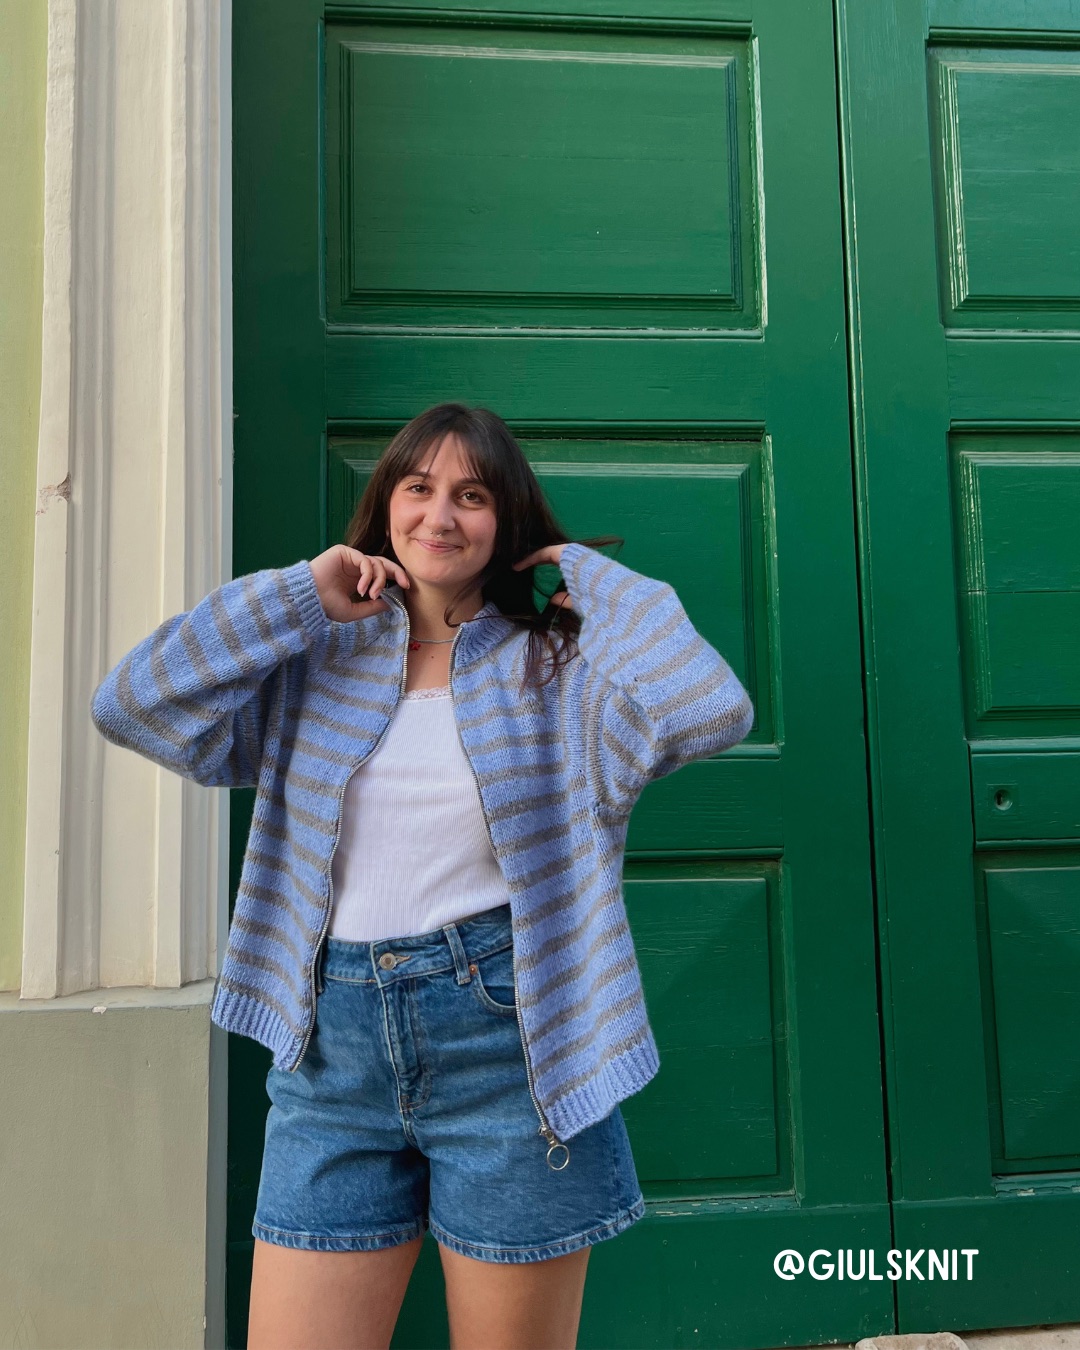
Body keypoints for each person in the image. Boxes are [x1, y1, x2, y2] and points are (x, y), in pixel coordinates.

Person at [90, 402, 755, 1350]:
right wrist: (298, 596)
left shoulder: (562, 674)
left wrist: (600, 585)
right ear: (387, 505)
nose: (441, 514)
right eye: (419, 487)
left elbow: (709, 709)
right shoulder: (314, 663)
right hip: (329, 1055)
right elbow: (132, 704)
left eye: (472, 496)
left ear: (506, 520)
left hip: (518, 1052)